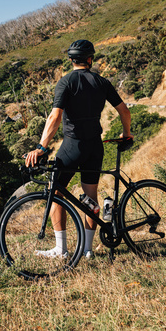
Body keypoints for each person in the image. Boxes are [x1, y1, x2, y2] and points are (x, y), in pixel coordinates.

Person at [25, 39, 133, 259]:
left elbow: (55, 117)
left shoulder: (66, 82)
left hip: (73, 145)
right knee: (90, 196)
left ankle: (61, 249)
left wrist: (41, 147)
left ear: (71, 60)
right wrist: (126, 133)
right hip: (95, 145)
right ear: (90, 59)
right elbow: (124, 111)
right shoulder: (102, 82)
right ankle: (87, 249)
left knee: (55, 192)